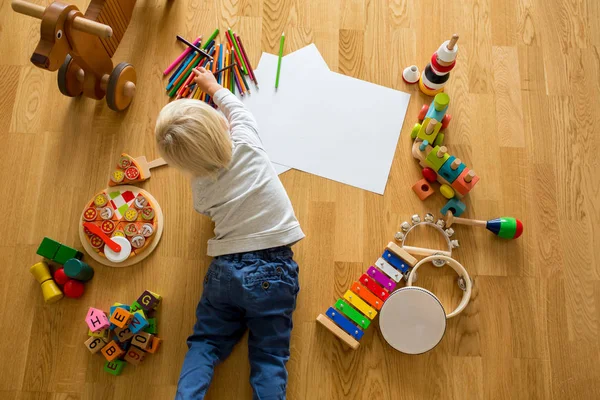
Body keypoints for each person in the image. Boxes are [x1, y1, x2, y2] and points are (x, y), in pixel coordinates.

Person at [155, 66, 305, 400]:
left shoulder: (200, 188)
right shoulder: (247, 142)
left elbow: (205, 213)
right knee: (268, 354)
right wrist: (211, 85)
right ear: (223, 124)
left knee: (206, 341)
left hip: (224, 270)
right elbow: (237, 108)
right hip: (273, 268)